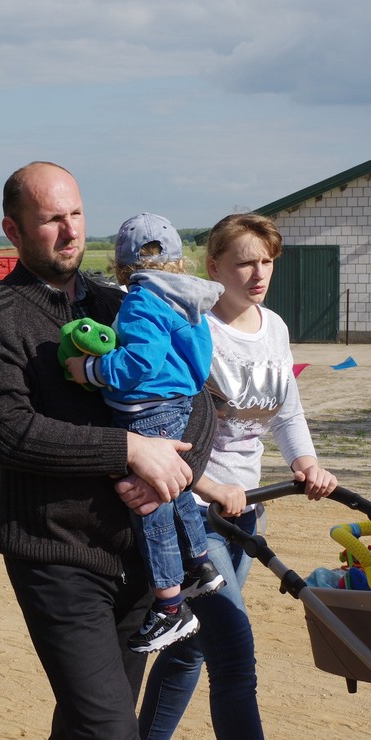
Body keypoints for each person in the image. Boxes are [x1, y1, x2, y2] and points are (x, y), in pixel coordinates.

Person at [0, 162, 215, 740]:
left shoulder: (122, 301)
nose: (71, 231)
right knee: (109, 730)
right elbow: (12, 432)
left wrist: (169, 473)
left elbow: (195, 396)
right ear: (14, 231)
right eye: (51, 219)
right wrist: (129, 449)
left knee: (87, 724)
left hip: (138, 555)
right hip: (57, 556)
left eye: (75, 214)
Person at [138, 212, 338, 740]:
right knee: (234, 655)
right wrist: (206, 485)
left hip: (246, 510)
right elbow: (159, 427)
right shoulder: (192, 329)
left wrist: (305, 462)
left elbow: (287, 410)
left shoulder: (274, 327)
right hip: (195, 514)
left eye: (267, 261)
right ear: (214, 267)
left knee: (191, 651)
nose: (258, 273)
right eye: (244, 261)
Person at [65, 212, 226, 654]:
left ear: (121, 269)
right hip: (176, 404)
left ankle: (170, 607)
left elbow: (140, 364)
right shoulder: (188, 299)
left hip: (146, 412)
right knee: (175, 492)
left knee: (149, 505)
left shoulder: (141, 301)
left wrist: (89, 370)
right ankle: (200, 565)